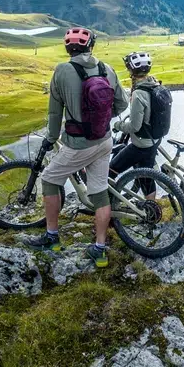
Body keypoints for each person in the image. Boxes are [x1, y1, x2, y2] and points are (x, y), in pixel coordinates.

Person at [24, 27, 128, 268]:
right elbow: (122, 103)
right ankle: (100, 250)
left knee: (50, 180)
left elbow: (54, 111)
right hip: (104, 140)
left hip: (78, 144)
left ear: (67, 48)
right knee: (100, 192)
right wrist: (101, 119)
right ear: (91, 46)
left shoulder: (62, 71)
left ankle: (52, 237)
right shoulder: (107, 69)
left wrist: (51, 138)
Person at [110, 52, 167, 198]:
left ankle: (108, 208)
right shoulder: (155, 85)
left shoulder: (139, 93)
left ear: (131, 70)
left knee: (111, 171)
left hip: (141, 144)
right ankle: (151, 211)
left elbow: (135, 127)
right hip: (154, 139)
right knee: (145, 175)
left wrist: (118, 125)